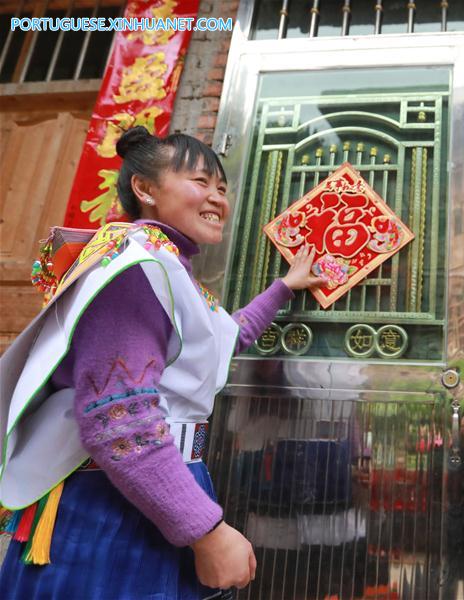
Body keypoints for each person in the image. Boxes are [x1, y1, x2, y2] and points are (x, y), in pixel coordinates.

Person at [0, 126, 326, 598]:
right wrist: (206, 531)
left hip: (150, 484)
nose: (217, 198)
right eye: (200, 181)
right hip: (111, 500)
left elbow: (225, 338)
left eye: (222, 188)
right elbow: (119, 419)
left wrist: (284, 288)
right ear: (145, 188)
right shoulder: (136, 268)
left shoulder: (166, 266)